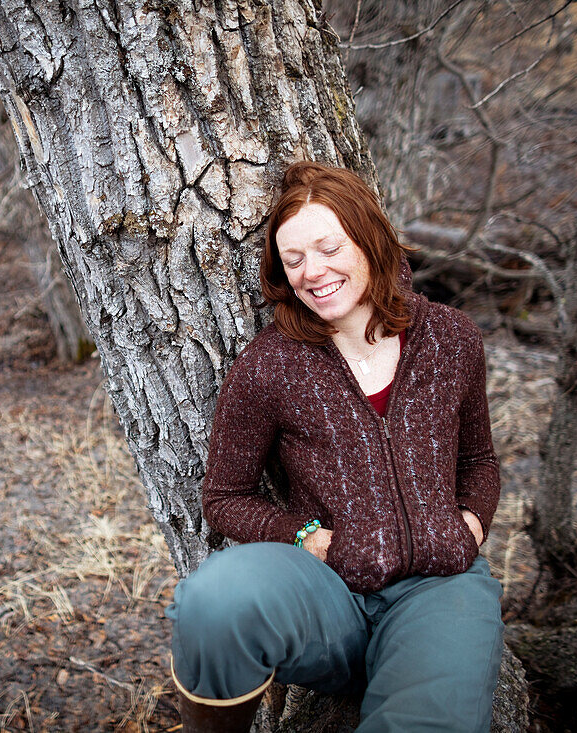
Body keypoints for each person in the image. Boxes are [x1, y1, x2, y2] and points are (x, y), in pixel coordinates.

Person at [166, 161, 504, 732]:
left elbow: (478, 459)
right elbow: (223, 498)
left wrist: (470, 524)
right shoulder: (270, 366)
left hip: (439, 591)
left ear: (369, 241)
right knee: (213, 600)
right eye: (293, 260)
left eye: (329, 249)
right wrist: (303, 536)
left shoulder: (451, 338)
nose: (312, 273)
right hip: (329, 598)